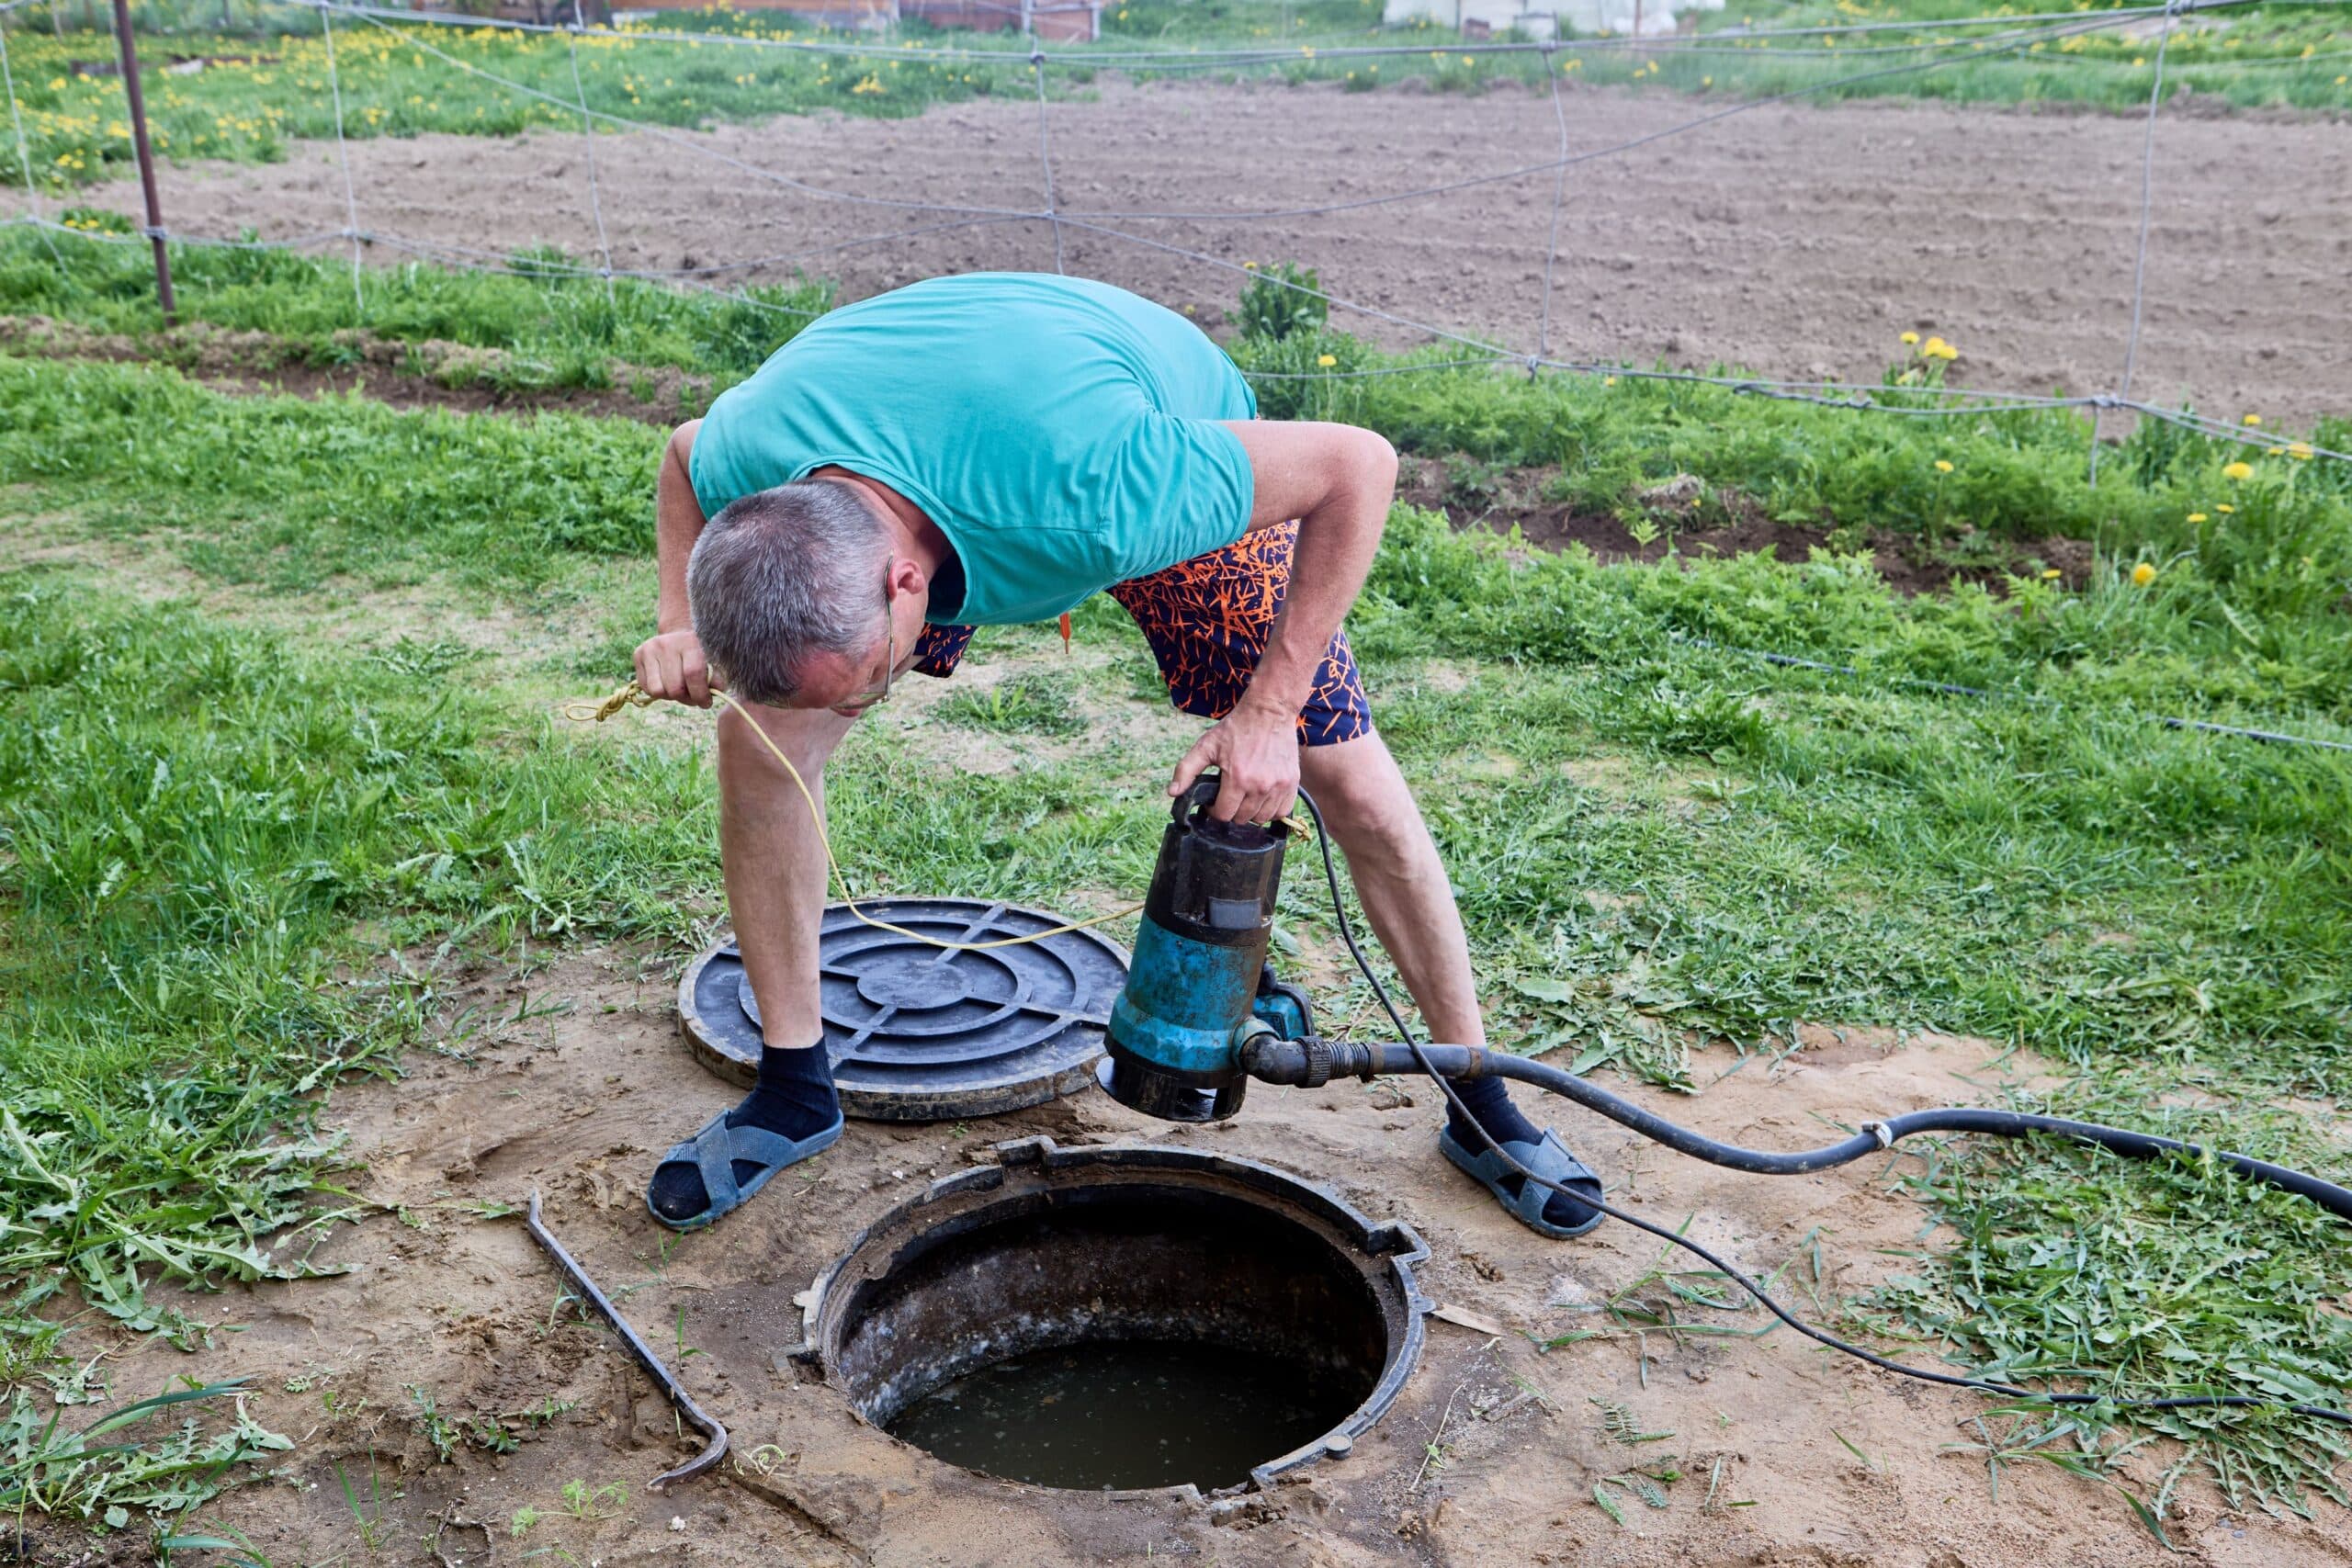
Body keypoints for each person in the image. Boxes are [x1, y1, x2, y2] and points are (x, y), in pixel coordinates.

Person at [630, 272, 1603, 1238]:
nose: (860, 707)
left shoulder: (1116, 492)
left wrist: (1268, 712)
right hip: (953, 421)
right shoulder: (753, 455)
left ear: (903, 582)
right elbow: (682, 455)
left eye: (866, 681)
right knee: (756, 745)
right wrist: (677, 618)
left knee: (1345, 775)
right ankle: (795, 1088)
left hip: (1123, 425)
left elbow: (1359, 462)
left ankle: (1480, 1101)